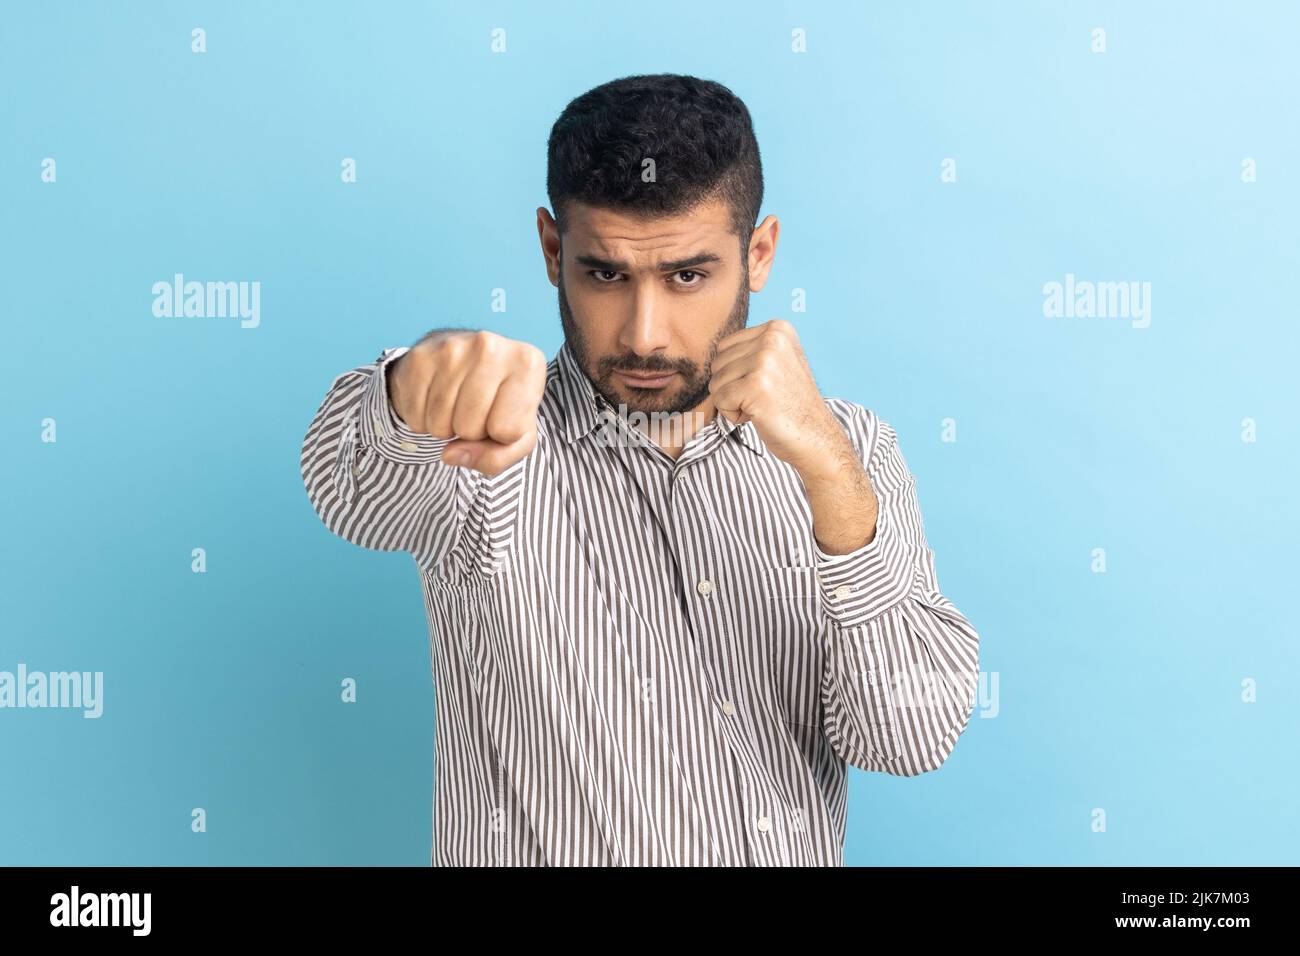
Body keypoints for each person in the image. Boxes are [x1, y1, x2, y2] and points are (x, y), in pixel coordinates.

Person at [300, 73, 980, 866]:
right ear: (553, 251)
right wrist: (406, 397)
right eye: (606, 275)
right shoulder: (488, 447)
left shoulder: (853, 452)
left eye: (687, 275)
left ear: (757, 254)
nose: (645, 335)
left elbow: (909, 736)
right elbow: (352, 490)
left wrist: (831, 476)